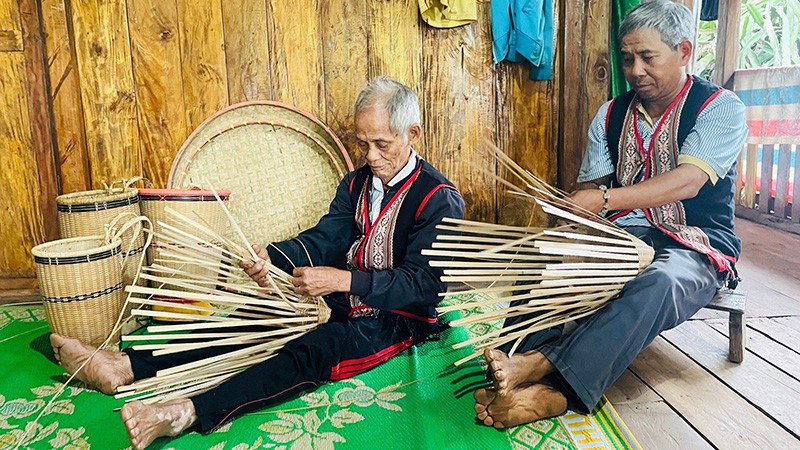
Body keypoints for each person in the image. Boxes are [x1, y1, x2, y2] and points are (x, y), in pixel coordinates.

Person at [50, 76, 465, 449]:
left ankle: (186, 412)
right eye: (362, 143)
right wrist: (274, 259)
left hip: (397, 320)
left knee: (313, 351)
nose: (371, 156)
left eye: (382, 144)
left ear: (412, 134)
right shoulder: (357, 182)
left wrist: (343, 280)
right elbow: (327, 236)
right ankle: (126, 366)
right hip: (341, 299)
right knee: (251, 319)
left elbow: (425, 286)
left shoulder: (437, 198)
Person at [473, 0, 748, 428]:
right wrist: (575, 213)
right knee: (548, 253)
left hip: (696, 242)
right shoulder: (611, 114)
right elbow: (591, 187)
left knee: (661, 280)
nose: (635, 69)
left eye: (648, 57)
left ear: (685, 52)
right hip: (621, 235)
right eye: (627, 58)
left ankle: (553, 390)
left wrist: (604, 200)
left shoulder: (719, 107)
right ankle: (513, 366)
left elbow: (688, 181)